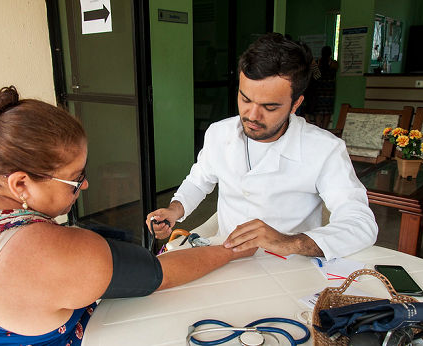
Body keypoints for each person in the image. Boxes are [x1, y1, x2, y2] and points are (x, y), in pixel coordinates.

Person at [0, 86, 255, 345]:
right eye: (75, 178)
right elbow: (159, 274)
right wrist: (230, 250)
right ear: (21, 183)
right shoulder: (49, 252)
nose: (85, 184)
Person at [147, 33, 377, 261]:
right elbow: (199, 181)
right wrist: (175, 210)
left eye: (269, 106)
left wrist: (289, 242)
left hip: (289, 266)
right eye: (245, 99)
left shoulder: (325, 149)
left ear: (296, 103)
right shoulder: (219, 133)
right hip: (225, 259)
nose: (252, 116)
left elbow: (361, 224)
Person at [312, 45, 338, 129]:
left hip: (318, 90)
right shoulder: (334, 63)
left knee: (318, 112)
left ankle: (318, 129)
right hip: (329, 91)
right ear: (330, 53)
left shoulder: (317, 63)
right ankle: (324, 129)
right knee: (327, 112)